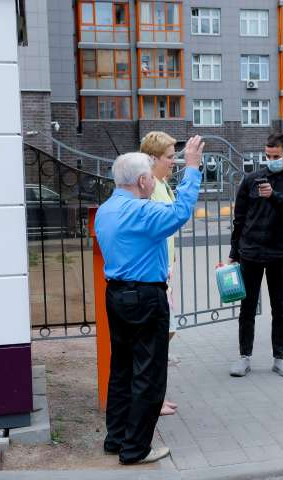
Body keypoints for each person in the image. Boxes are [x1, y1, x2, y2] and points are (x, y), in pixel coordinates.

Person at [94, 136, 204, 464]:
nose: (154, 180)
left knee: (123, 369)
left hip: (116, 294)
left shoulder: (106, 209)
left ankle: (116, 438)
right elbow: (181, 211)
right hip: (144, 296)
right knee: (149, 374)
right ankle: (136, 449)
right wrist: (194, 169)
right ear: (142, 180)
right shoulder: (140, 212)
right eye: (151, 177)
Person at [228, 133, 283, 378]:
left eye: (276, 156)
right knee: (247, 308)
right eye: (267, 156)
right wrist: (234, 252)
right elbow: (239, 218)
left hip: (279, 254)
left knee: (280, 308)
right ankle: (244, 357)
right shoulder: (251, 179)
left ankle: (279, 358)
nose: (271, 160)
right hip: (250, 253)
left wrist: (272, 195)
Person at [141, 131, 179, 417]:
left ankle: (158, 396)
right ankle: (153, 400)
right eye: (170, 157)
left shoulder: (163, 184)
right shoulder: (148, 187)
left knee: (165, 336)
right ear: (153, 158)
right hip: (155, 272)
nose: (174, 161)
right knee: (156, 339)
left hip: (165, 270)